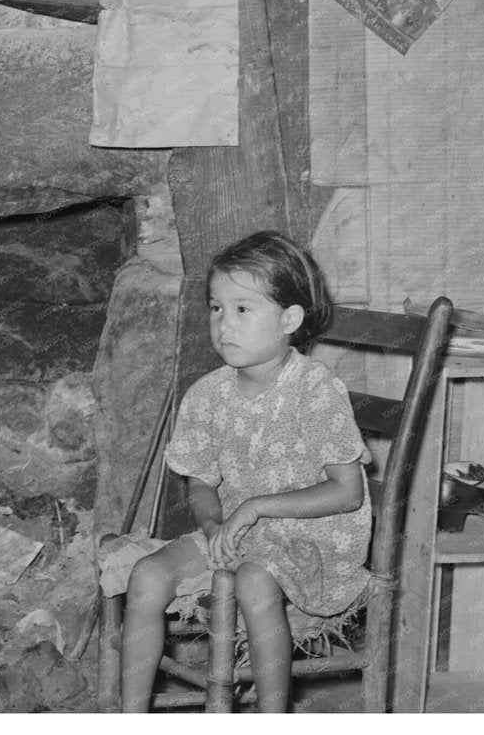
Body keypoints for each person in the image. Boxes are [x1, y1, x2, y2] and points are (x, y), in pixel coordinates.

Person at [118, 231, 370, 713]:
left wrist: (255, 508)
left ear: (289, 319)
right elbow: (201, 484)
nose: (223, 325)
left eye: (242, 309)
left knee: (254, 579)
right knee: (148, 575)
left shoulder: (315, 390)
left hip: (315, 538)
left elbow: (348, 492)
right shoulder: (207, 395)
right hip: (240, 528)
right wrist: (213, 524)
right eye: (216, 308)